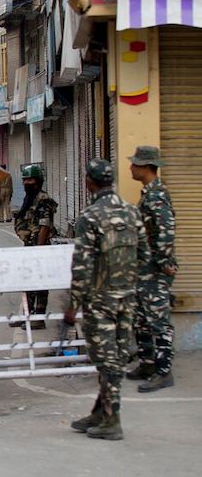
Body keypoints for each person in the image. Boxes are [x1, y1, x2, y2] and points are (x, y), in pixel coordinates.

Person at [64, 158, 150, 440]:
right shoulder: (131, 213)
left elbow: (82, 265)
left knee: (107, 360)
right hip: (127, 297)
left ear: (90, 181)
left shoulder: (90, 217)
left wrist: (73, 304)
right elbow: (144, 256)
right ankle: (100, 412)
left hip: (100, 300)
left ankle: (112, 420)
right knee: (116, 357)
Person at [126, 146, 177, 392]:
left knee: (159, 320)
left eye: (134, 164)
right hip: (144, 268)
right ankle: (147, 362)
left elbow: (166, 229)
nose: (130, 168)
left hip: (154, 269)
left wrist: (165, 262)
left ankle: (163, 370)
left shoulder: (157, 195)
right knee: (141, 318)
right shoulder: (148, 193)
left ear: (145, 167)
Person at [11, 164, 57, 329]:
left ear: (38, 181)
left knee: (40, 283)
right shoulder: (30, 198)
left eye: (29, 180)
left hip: (40, 247)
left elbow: (45, 224)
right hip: (30, 245)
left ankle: (38, 316)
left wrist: (38, 250)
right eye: (24, 180)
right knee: (28, 281)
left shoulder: (43, 199)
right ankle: (27, 315)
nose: (26, 183)